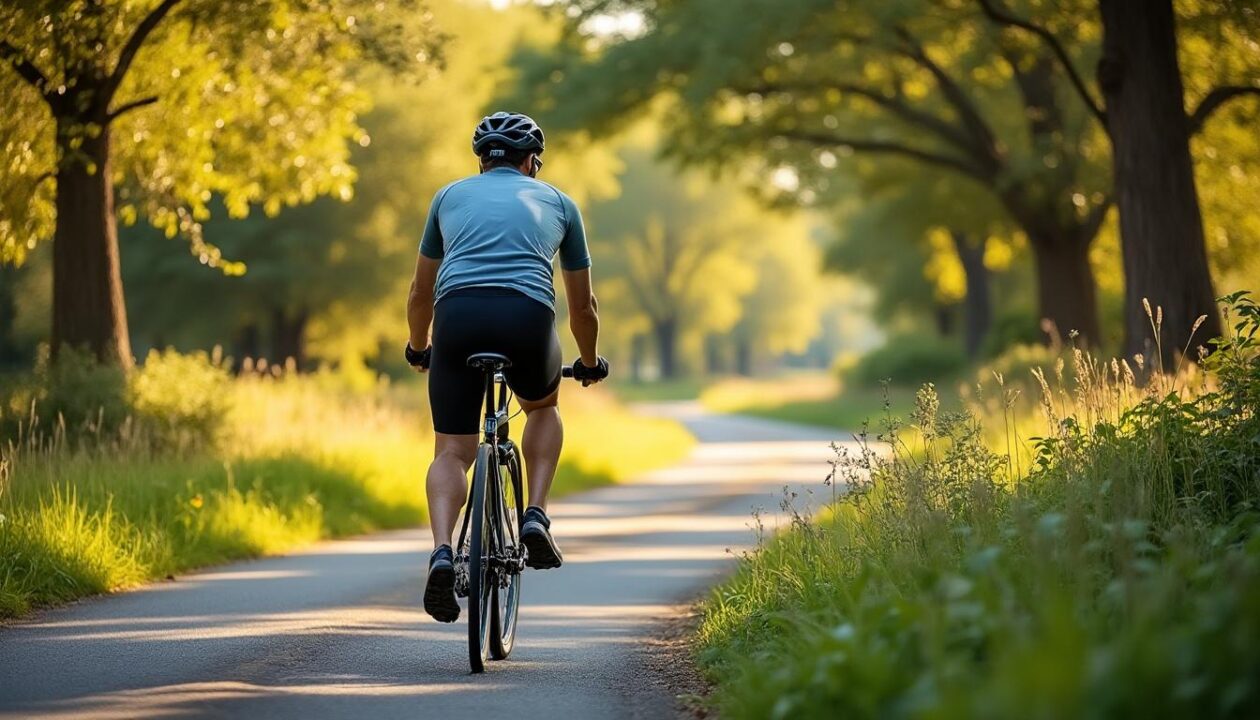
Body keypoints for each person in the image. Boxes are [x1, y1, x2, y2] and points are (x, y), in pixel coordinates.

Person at [405, 111, 610, 623]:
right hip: (526, 318)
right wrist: (588, 363)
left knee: (452, 450)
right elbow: (582, 308)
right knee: (543, 409)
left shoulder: (448, 197)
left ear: (480, 160)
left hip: (457, 317)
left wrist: (418, 347)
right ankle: (535, 515)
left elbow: (420, 292)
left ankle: (442, 551)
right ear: (531, 162)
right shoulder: (560, 202)